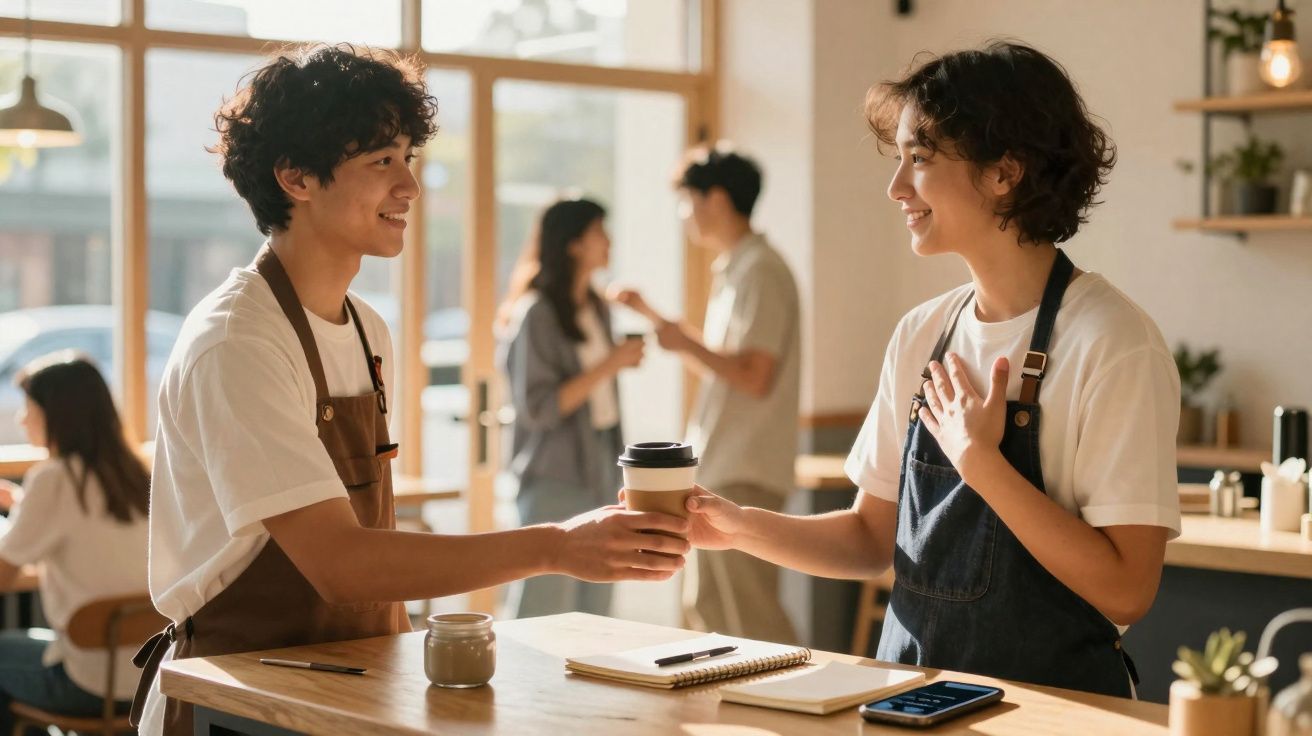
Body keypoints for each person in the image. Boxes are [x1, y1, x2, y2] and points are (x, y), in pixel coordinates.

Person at [133, 44, 688, 736]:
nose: (411, 188)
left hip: (346, 688)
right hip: (238, 699)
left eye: (409, 158)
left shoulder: (368, 329)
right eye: (381, 163)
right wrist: (556, 546)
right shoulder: (237, 341)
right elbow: (340, 561)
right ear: (296, 178)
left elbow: (371, 548)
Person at [678, 41, 1181, 698]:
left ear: (1005, 172)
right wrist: (738, 525)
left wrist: (984, 466)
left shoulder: (1113, 342)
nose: (896, 188)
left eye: (919, 159)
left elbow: (1127, 588)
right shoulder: (923, 334)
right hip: (910, 696)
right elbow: (868, 537)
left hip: (1050, 708)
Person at [612, 146, 801, 644]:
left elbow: (754, 376)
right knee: (709, 605)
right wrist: (659, 321)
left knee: (749, 613)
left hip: (747, 467)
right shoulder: (738, 269)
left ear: (715, 199)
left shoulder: (760, 270)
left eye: (687, 199)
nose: (683, 214)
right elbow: (730, 366)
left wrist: (678, 336)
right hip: (725, 462)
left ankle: (795, 713)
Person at [499, 198, 644, 618]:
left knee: (598, 598)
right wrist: (611, 363)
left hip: (601, 460)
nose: (609, 241)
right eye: (600, 231)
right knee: (542, 603)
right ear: (574, 244)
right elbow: (539, 408)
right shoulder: (536, 314)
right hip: (554, 471)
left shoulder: (596, 307)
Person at [0, 352, 150, 734]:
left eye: (28, 408)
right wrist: (20, 506)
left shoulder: (53, 479)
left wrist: (16, 518)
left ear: (55, 413)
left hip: (91, 685)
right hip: (151, 681)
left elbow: (3, 575)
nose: (21, 419)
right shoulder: (135, 475)